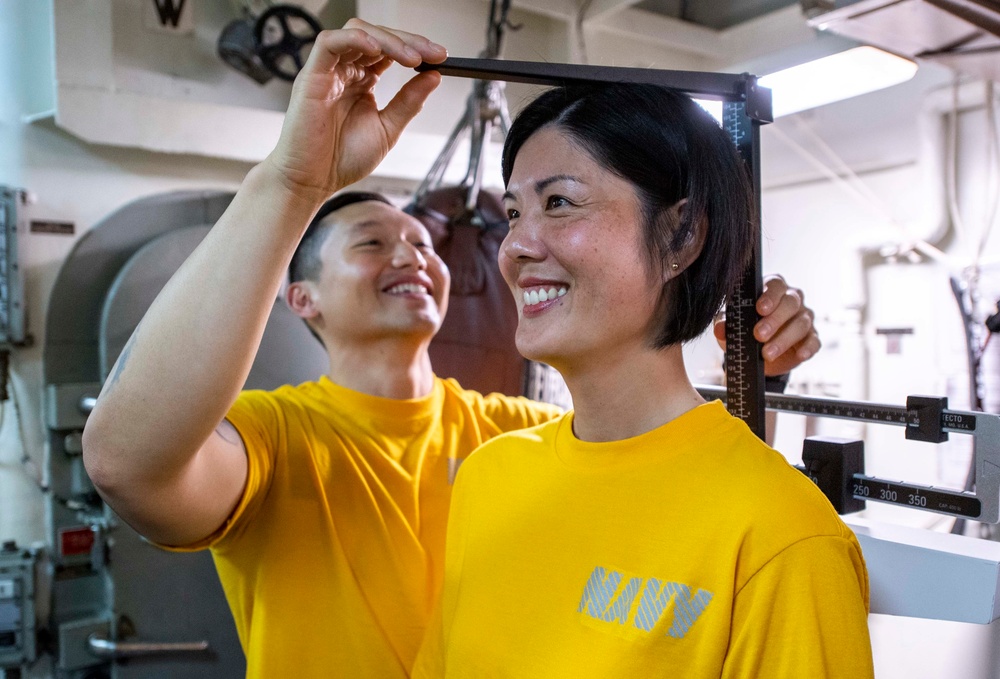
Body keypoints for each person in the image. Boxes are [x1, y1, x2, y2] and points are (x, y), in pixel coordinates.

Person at [79, 19, 822, 679]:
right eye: (372, 243)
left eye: (424, 242)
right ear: (302, 298)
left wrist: (759, 375)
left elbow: (685, 494)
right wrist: (292, 183)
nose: (416, 255)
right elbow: (127, 464)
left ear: (681, 232)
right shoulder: (285, 438)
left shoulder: (504, 438)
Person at [412, 83, 872, 677]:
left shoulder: (783, 534)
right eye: (515, 213)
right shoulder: (488, 476)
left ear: (681, 235)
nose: (516, 246)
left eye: (559, 202)